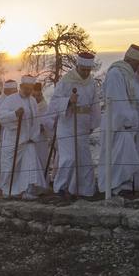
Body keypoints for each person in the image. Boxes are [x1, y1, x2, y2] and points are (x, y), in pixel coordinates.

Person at [48, 51, 101, 197]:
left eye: (88, 70)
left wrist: (92, 123)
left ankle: (85, 190)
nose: (85, 73)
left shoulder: (91, 83)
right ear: (78, 66)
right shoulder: (66, 81)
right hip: (67, 125)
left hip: (83, 126)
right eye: (83, 69)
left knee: (84, 160)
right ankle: (60, 187)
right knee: (69, 158)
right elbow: (54, 103)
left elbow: (95, 105)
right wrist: (69, 101)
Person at [102, 45, 139, 195]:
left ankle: (123, 186)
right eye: (136, 64)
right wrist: (129, 119)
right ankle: (114, 188)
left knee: (125, 158)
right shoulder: (116, 74)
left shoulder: (126, 74)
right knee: (116, 158)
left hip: (125, 125)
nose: (137, 67)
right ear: (130, 60)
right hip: (118, 125)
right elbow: (117, 101)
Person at [0, 75, 46, 199]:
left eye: (30, 89)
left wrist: (33, 135)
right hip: (13, 139)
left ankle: (27, 190)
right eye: (26, 88)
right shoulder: (11, 99)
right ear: (21, 87)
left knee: (30, 165)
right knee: (10, 166)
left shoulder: (33, 101)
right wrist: (14, 114)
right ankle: (8, 191)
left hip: (28, 140)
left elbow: (36, 120)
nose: (28, 91)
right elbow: (1, 116)